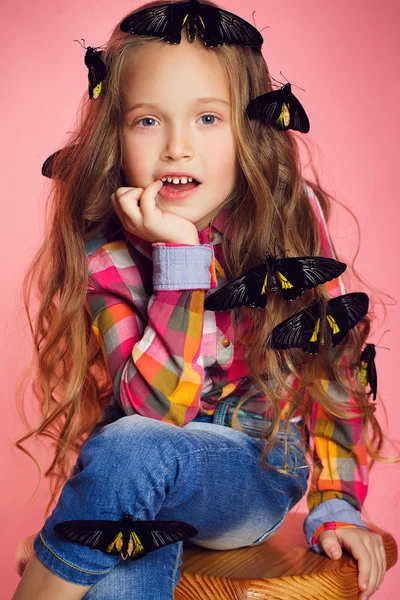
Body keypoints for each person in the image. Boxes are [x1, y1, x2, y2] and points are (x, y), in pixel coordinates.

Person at [13, 1, 393, 598]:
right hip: (141, 467)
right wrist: (180, 262)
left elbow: (336, 367)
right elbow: (156, 410)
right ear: (115, 134)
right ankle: (71, 553)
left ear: (250, 128)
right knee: (120, 542)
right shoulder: (104, 248)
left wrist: (339, 504)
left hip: (257, 466)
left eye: (208, 119)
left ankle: (44, 576)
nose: (177, 148)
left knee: (128, 451)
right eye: (148, 121)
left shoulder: (288, 222)